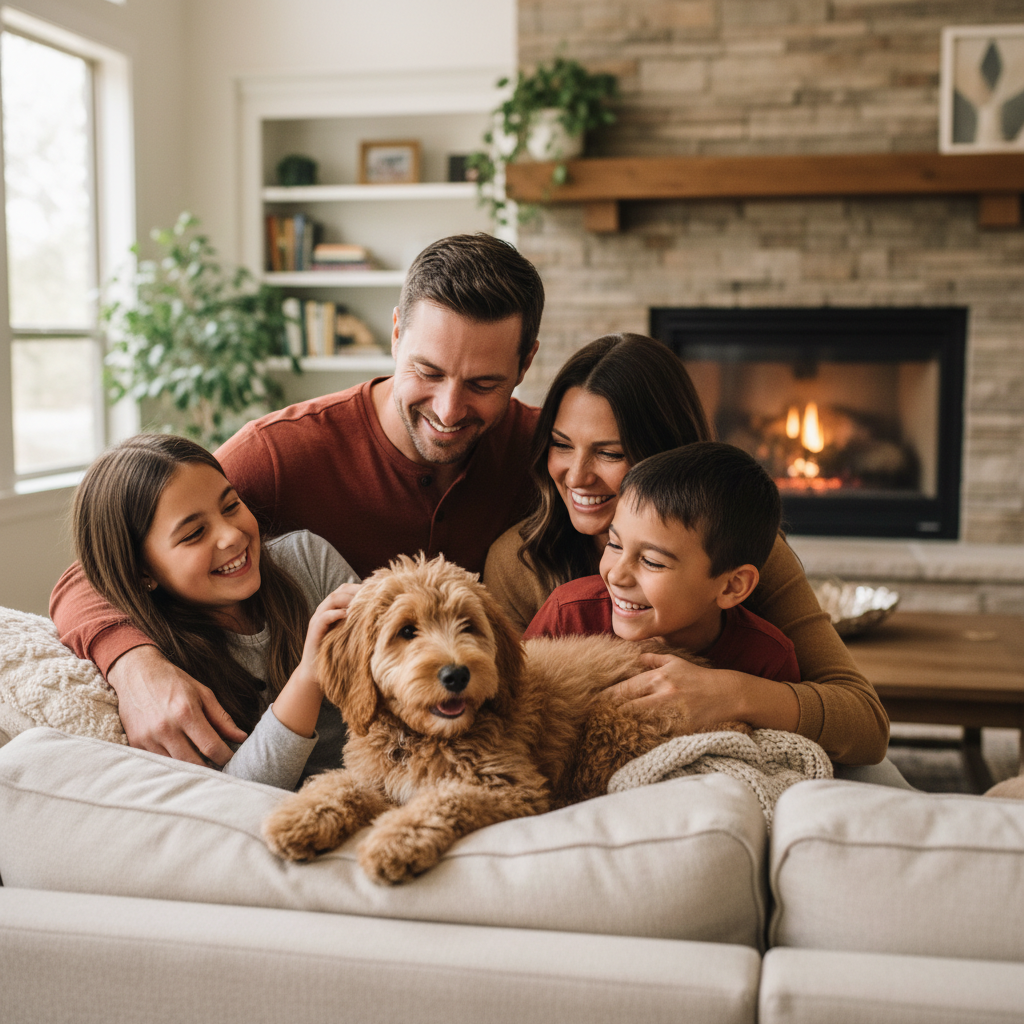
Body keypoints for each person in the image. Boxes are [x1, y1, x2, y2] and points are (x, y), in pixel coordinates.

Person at [51, 233, 544, 767]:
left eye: (483, 384)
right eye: (428, 372)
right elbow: (92, 573)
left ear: (525, 365)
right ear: (397, 333)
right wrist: (134, 666)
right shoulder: (282, 452)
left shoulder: (551, 451)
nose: (448, 410)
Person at [483, 333, 892, 768]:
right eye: (562, 444)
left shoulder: (743, 552)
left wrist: (729, 693)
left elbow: (864, 722)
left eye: (609, 453)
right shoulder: (519, 564)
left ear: (665, 457)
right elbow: (499, 719)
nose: (576, 476)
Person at [72, 434, 360, 788]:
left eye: (231, 505)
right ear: (142, 572)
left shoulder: (308, 559)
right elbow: (234, 792)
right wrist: (310, 674)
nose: (231, 536)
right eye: (194, 533)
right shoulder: (167, 671)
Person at [525, 443, 801, 695]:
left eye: (652, 562)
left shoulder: (768, 660)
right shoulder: (568, 616)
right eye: (614, 544)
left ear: (732, 586)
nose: (617, 575)